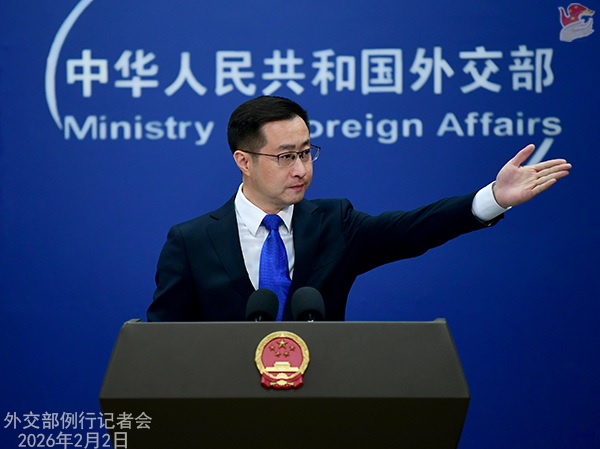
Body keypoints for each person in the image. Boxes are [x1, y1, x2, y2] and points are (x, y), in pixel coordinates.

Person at [147, 96, 571, 322]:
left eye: (306, 152)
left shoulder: (335, 223)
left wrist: (493, 197)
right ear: (244, 161)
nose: (301, 169)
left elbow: (411, 230)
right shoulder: (191, 241)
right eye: (285, 157)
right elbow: (161, 346)